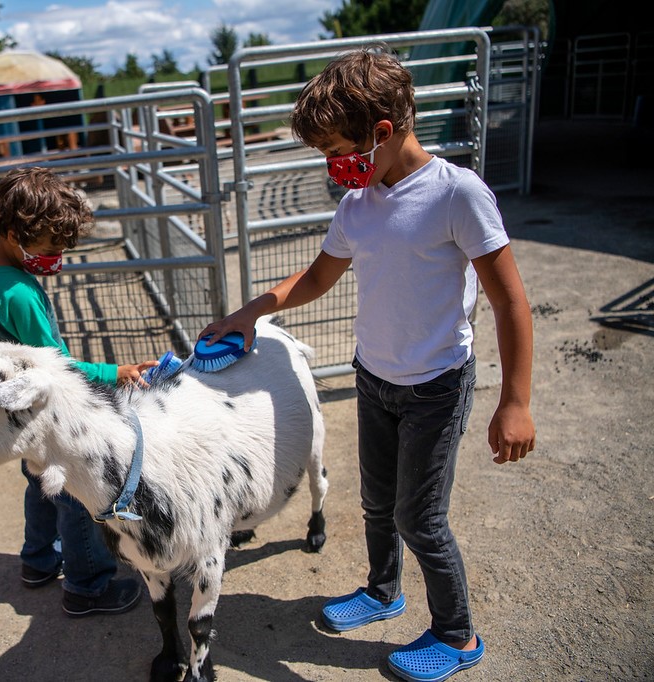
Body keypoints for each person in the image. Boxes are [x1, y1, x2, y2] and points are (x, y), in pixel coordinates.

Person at [199, 49, 536, 682]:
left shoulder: (456, 194)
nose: (332, 167)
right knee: (378, 502)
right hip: (374, 377)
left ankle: (456, 634)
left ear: (382, 131)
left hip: (436, 383)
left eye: (336, 150)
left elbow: (510, 300)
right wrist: (249, 313)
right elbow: (319, 276)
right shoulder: (358, 205)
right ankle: (383, 591)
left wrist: (514, 401)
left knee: (420, 516)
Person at [0, 166, 157, 617]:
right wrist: (113, 371)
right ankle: (88, 585)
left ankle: (39, 561)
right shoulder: (20, 293)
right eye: (49, 248)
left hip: (24, 412)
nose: (56, 257)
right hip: (46, 409)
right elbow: (55, 365)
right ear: (10, 232)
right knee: (75, 494)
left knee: (39, 481)